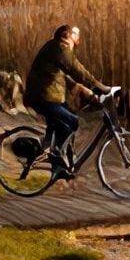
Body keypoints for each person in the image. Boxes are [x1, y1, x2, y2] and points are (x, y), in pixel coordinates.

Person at [22, 24, 114, 170]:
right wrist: (100, 86)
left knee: (63, 122)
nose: (78, 37)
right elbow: (75, 68)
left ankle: (54, 157)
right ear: (66, 35)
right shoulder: (59, 48)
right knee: (73, 121)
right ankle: (54, 157)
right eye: (75, 33)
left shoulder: (55, 48)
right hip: (44, 98)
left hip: (48, 97)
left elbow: (61, 74)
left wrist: (81, 89)